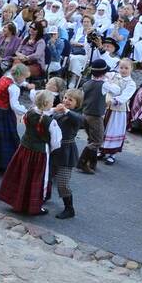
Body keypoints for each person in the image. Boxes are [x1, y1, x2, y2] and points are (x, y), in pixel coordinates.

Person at [0, 90, 62, 215]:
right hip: (40, 153)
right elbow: (56, 142)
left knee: (22, 174)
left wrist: (53, 110)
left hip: (24, 148)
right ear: (48, 103)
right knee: (36, 178)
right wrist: (49, 150)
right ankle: (33, 206)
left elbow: (39, 113)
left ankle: (16, 200)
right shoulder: (51, 122)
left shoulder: (29, 112)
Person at [50, 88, 84, 218]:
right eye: (65, 98)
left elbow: (80, 121)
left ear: (77, 103)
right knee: (47, 177)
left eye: (70, 99)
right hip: (54, 149)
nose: (66, 101)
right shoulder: (58, 112)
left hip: (66, 151)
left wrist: (66, 110)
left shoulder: (75, 115)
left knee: (62, 182)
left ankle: (69, 209)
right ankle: (44, 197)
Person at [99, 59, 137, 165]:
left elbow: (125, 96)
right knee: (104, 127)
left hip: (119, 111)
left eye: (126, 68)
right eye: (121, 67)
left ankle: (112, 154)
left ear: (131, 69)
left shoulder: (131, 83)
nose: (123, 70)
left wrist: (113, 100)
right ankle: (101, 150)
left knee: (115, 130)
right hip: (107, 108)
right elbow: (104, 75)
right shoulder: (113, 76)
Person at [77, 59, 109, 173]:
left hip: (85, 114)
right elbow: (117, 90)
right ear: (104, 73)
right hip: (95, 116)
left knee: (91, 139)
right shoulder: (104, 85)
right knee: (97, 141)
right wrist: (109, 81)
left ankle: (92, 162)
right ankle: (82, 162)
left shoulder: (86, 83)